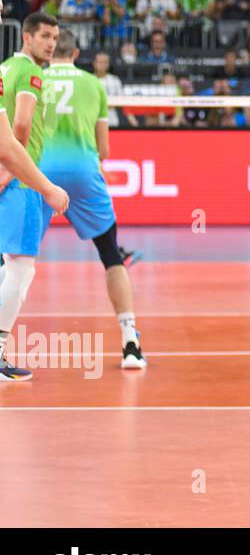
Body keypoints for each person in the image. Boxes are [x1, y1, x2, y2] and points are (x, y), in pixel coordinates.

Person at [37, 31, 146, 367]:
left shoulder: (34, 76)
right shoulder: (94, 84)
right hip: (83, 171)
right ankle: (130, 344)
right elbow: (105, 150)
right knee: (112, 256)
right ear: (77, 53)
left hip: (38, 170)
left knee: (11, 260)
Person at [0, 13, 71, 381]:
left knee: (8, 266)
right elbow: (21, 126)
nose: (51, 43)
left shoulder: (5, 67)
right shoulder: (30, 73)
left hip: (11, 177)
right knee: (21, 268)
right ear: (26, 37)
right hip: (20, 181)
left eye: (55, 37)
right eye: (45, 35)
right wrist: (12, 173)